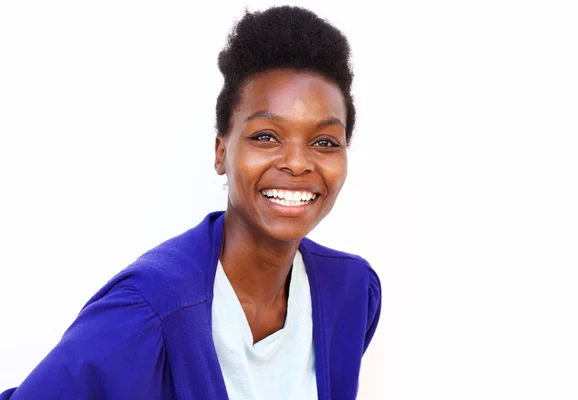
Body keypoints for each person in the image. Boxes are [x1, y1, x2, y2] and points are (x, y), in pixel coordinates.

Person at [0, 5, 381, 400]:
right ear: (221, 153)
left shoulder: (351, 293)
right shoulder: (146, 310)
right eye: (266, 136)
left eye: (324, 142)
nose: (298, 163)